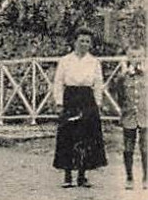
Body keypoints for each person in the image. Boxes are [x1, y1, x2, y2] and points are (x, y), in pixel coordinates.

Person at [52, 29, 108, 188]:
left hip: (87, 99)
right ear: (74, 41)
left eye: (87, 42)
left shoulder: (94, 62)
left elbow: (98, 84)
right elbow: (58, 82)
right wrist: (59, 103)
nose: (84, 44)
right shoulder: (65, 60)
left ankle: (82, 175)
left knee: (86, 137)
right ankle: (68, 175)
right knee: (68, 136)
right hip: (70, 97)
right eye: (81, 41)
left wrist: (98, 104)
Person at [119, 54, 146, 189]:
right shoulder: (123, 77)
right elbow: (119, 95)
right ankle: (129, 177)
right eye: (133, 56)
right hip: (129, 116)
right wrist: (123, 111)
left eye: (139, 56)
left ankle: (146, 177)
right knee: (128, 147)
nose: (136, 59)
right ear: (129, 58)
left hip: (145, 115)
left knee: (145, 147)